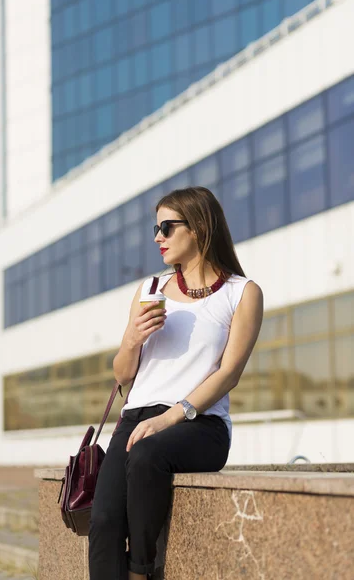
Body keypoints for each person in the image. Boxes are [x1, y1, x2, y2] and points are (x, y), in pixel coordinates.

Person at [88, 186, 264, 580]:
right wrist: (133, 339)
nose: (157, 238)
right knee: (103, 523)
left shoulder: (241, 293)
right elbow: (122, 376)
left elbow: (229, 373)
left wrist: (171, 417)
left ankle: (140, 570)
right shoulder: (150, 290)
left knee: (150, 456)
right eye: (156, 228)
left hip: (199, 424)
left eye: (167, 227)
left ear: (199, 227)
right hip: (136, 419)